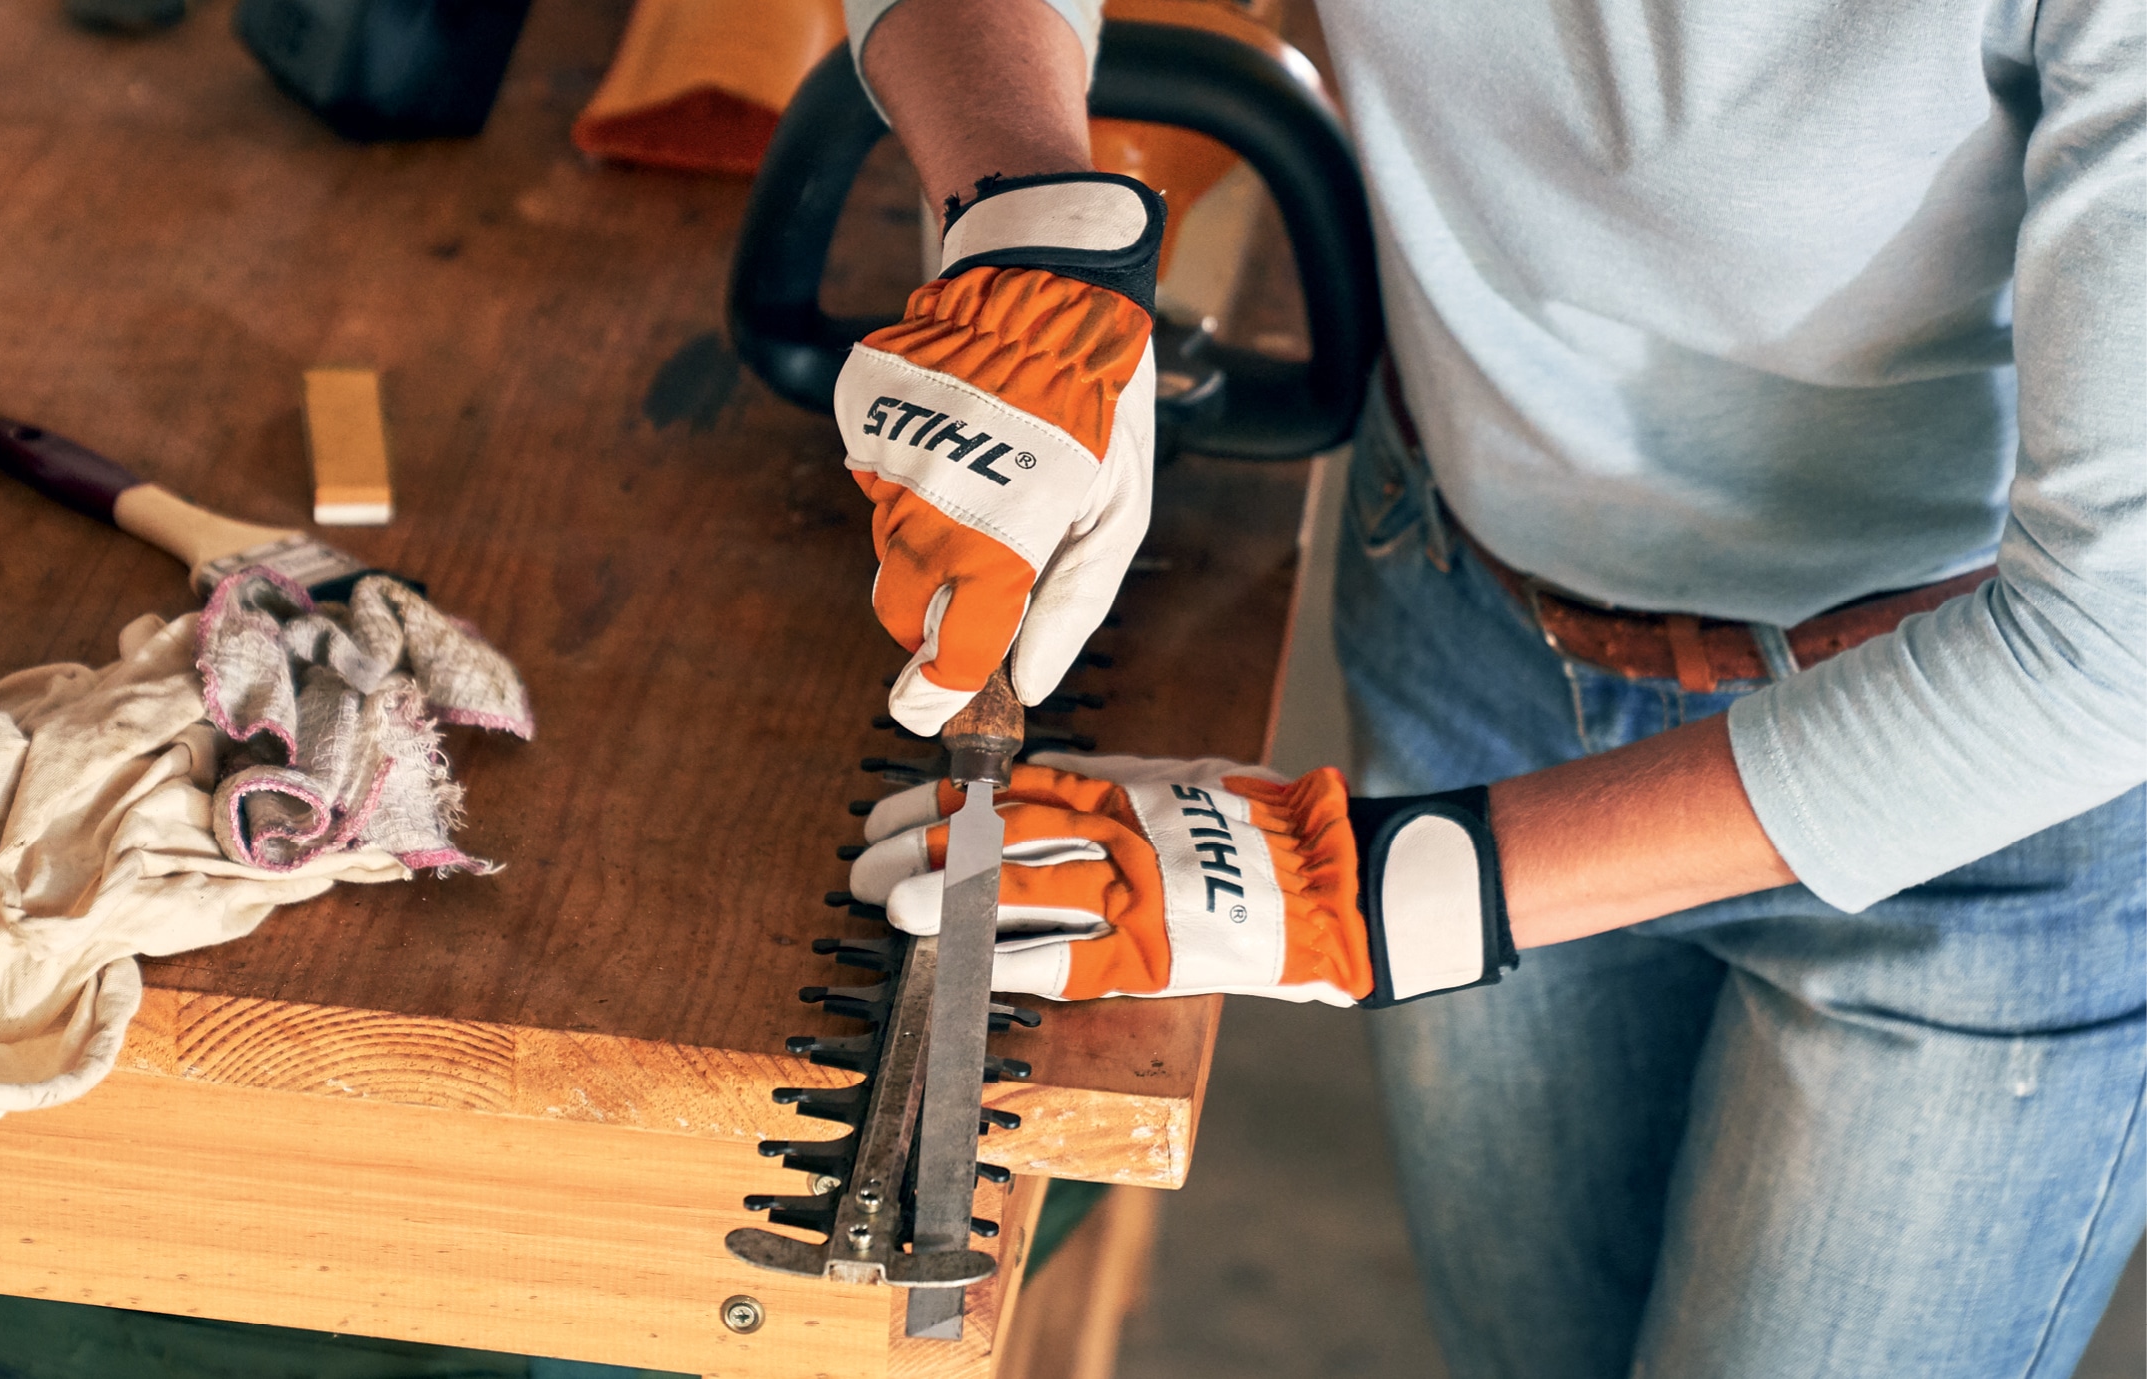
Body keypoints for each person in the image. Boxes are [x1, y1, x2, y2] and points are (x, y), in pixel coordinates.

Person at [828, 0, 2147, 1374]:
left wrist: (1380, 892)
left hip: (1979, 786)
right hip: (1474, 625)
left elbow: (2113, 638)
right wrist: (1028, 221)